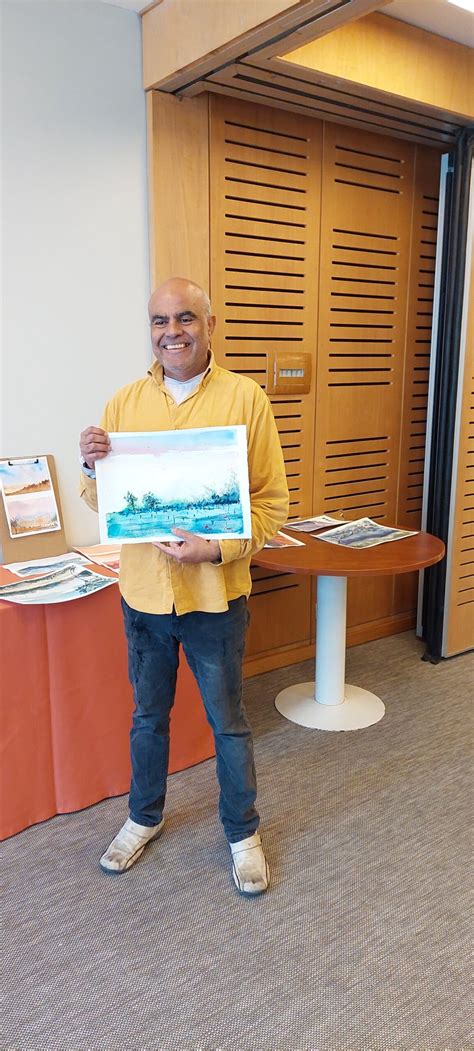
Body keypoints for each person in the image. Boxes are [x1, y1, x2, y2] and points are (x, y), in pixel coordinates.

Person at [79, 277, 289, 896]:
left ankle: (242, 833)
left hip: (214, 599)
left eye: (185, 319)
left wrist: (217, 548)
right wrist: (93, 466)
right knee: (148, 717)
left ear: (210, 324)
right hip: (143, 597)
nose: (171, 331)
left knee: (228, 723)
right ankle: (144, 817)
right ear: (149, 329)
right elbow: (105, 502)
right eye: (159, 321)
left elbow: (273, 504)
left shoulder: (247, 401)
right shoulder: (122, 404)